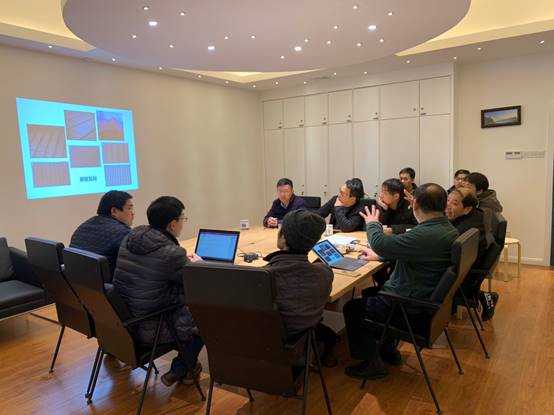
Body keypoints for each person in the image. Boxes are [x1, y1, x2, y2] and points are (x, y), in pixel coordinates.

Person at [343, 184, 458, 379]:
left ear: (415, 204)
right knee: (370, 293)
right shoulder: (446, 229)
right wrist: (381, 256)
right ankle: (388, 349)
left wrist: (373, 223)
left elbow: (380, 243)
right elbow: (416, 251)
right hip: (424, 299)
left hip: (408, 306)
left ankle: (372, 363)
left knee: (352, 309)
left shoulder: (425, 234)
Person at [113, 196, 203, 387]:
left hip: (123, 323)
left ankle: (188, 370)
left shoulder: (130, 238)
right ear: (172, 224)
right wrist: (198, 266)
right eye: (182, 219)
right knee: (208, 318)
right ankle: (181, 368)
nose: (183, 223)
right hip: (153, 325)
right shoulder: (172, 254)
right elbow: (195, 284)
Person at [263, 210, 338, 366]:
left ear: (282, 237)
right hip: (297, 343)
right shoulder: (324, 273)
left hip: (258, 346)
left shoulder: (259, 278)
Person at [446, 188, 499, 320]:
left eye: (454, 203)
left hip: (462, 278)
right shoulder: (474, 215)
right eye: (447, 200)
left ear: (467, 209)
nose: (447, 205)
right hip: (465, 272)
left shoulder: (465, 230)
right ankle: (483, 295)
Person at [70, 190, 134, 279]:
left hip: (77, 281)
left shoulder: (85, 225)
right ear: (114, 211)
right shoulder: (123, 233)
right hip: (104, 284)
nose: (133, 213)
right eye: (129, 208)